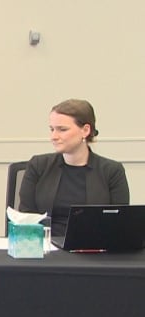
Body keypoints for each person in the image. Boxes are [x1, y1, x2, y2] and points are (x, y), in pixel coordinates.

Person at [18, 99, 129, 237]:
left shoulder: (112, 171)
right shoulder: (38, 165)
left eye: (62, 130)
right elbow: (27, 217)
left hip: (94, 249)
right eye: (52, 129)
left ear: (85, 130)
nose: (54, 136)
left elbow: (119, 223)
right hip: (46, 248)